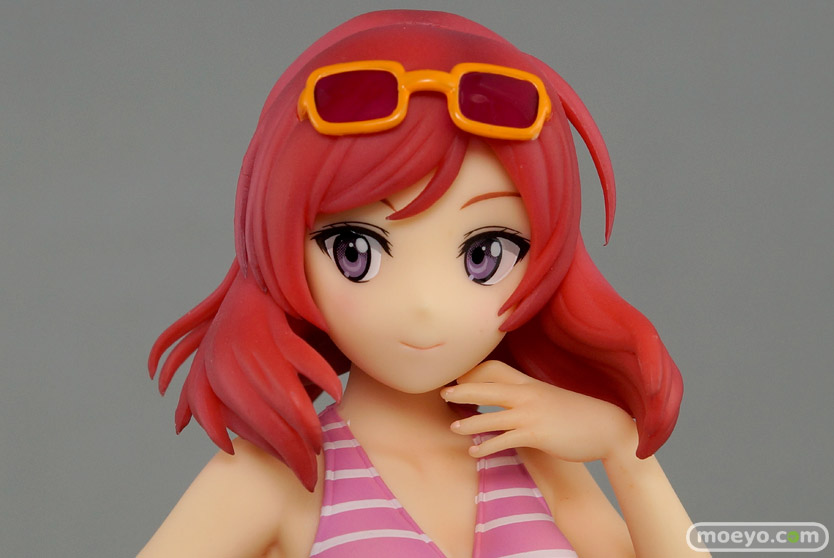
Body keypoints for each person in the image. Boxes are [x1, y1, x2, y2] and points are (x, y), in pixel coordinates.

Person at [142, 10, 706, 558]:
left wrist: (625, 452)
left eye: (485, 255)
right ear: (283, 244)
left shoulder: (533, 456)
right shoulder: (277, 478)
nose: (424, 306)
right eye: (354, 251)